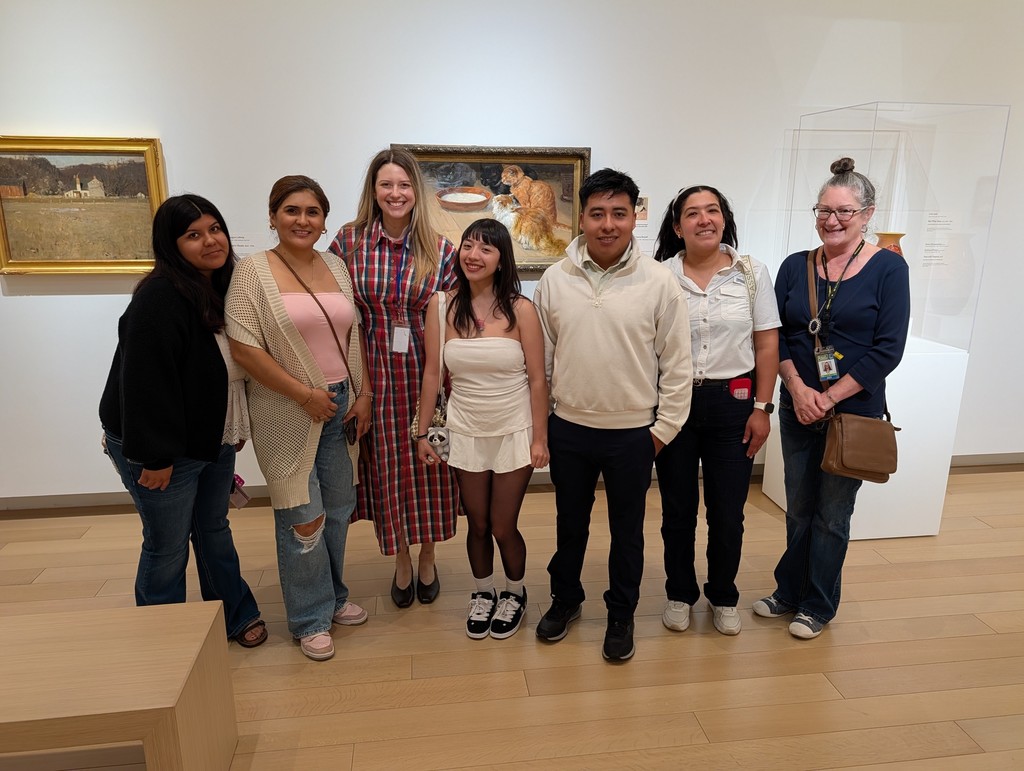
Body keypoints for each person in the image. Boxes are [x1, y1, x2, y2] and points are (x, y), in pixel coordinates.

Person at [533, 168, 692, 662]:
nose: (608, 224)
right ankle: (566, 599)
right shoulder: (555, 280)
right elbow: (542, 360)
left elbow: (678, 365)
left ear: (634, 217)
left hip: (633, 434)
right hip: (571, 428)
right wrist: (544, 428)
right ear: (581, 217)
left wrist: (661, 433)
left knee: (628, 531)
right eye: (597, 213)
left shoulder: (660, 281)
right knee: (569, 524)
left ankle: (621, 612)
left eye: (619, 213)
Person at [99, 193, 267, 649]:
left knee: (213, 527)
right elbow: (145, 384)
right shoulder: (160, 297)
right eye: (193, 235)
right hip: (160, 446)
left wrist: (233, 428)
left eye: (215, 229)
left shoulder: (225, 285)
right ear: (172, 245)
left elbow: (224, 375)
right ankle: (165, 638)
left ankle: (234, 613)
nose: (210, 241)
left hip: (211, 436)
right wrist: (154, 456)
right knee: (167, 544)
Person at [754, 158, 910, 639]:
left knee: (833, 513)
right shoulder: (794, 266)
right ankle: (788, 591)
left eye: (844, 211)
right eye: (824, 209)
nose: (832, 219)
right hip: (797, 402)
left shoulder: (888, 269)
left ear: (868, 215)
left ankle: (818, 604)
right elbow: (773, 334)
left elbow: (889, 349)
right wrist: (799, 390)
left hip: (854, 412)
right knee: (798, 506)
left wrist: (830, 396)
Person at [226, 175, 370, 661]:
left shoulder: (335, 265)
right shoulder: (251, 272)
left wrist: (363, 393)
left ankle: (334, 597)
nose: (302, 220)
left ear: (324, 219)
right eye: (291, 210)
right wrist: (304, 395)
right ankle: (310, 616)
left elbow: (353, 336)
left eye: (312, 212)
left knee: (338, 508)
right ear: (272, 216)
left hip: (340, 406)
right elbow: (245, 349)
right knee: (301, 517)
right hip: (285, 411)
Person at [329, 148, 459, 608]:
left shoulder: (441, 249)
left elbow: (454, 318)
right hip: (371, 376)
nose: (396, 193)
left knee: (431, 468)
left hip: (428, 375)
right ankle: (400, 556)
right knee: (385, 469)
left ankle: (427, 555)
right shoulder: (348, 243)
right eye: (387, 184)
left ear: (416, 191)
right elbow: (333, 309)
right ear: (374, 191)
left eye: (404, 185)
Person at [652, 186, 781, 636]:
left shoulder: (751, 273)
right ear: (677, 226)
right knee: (677, 510)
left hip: (736, 404)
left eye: (712, 211)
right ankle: (679, 592)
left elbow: (767, 343)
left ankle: (724, 594)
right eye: (692, 213)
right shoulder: (659, 275)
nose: (704, 219)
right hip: (676, 404)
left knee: (728, 512)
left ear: (724, 219)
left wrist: (763, 407)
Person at [416, 219, 549, 640]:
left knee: (502, 524)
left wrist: (541, 438)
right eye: (468, 245)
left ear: (501, 259)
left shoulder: (522, 309)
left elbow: (539, 379)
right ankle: (484, 592)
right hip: (465, 428)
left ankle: (514, 592)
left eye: (485, 248)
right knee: (476, 522)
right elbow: (432, 375)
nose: (474, 255)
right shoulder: (441, 306)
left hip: (514, 430)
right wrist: (421, 434)